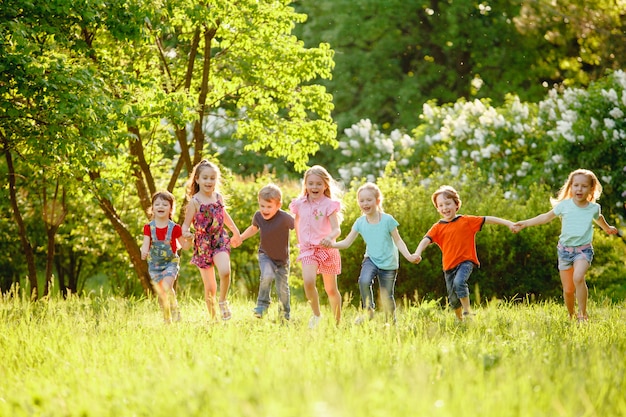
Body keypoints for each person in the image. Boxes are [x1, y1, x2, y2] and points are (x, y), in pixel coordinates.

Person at [513, 169, 618, 321]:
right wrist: (524, 224)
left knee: (578, 277)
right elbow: (545, 217)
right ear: (570, 187)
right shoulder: (564, 206)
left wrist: (607, 228)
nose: (579, 189)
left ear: (591, 189)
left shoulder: (593, 208)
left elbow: (599, 218)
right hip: (564, 252)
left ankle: (583, 315)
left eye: (583, 186)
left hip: (583, 251)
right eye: (576, 185)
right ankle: (571, 315)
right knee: (568, 290)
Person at [413, 185, 516, 320]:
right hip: (448, 266)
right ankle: (459, 319)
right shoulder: (438, 227)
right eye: (441, 205)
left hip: (466, 261)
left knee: (459, 282)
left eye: (448, 203)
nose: (445, 208)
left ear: (456, 204)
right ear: (437, 208)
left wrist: (508, 223)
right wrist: (417, 252)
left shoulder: (466, 221)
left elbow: (487, 219)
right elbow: (425, 240)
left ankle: (467, 312)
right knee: (453, 299)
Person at [322, 182, 417, 324]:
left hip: (389, 263)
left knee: (387, 296)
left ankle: (391, 322)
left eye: (369, 200)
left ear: (377, 201)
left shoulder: (387, 220)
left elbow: (398, 241)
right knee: (364, 281)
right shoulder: (360, 222)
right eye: (362, 200)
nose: (365, 203)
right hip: (371, 259)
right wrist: (332, 245)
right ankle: (368, 311)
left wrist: (409, 256)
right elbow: (347, 242)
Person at [182, 160, 242, 322]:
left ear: (216, 180)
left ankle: (222, 301)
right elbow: (185, 225)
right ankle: (213, 319)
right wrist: (186, 234)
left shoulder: (218, 197)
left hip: (219, 239)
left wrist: (235, 232)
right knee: (210, 287)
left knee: (225, 271)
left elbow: (225, 216)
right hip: (202, 244)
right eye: (205, 178)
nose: (209, 181)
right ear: (197, 179)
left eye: (212, 178)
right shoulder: (195, 202)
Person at [289, 165, 343, 328]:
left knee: (331, 289)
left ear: (325, 185)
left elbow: (337, 229)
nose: (314, 187)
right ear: (305, 184)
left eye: (318, 184)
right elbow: (296, 222)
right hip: (308, 250)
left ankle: (337, 322)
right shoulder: (299, 204)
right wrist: (300, 241)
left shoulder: (329, 204)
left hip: (327, 250)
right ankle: (316, 315)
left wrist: (329, 237)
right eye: (310, 183)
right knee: (308, 281)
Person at [240, 184, 295, 321]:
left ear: (278, 205)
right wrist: (240, 238)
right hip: (265, 255)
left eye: (269, 207)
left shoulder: (285, 218)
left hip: (282, 260)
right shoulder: (258, 216)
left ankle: (284, 315)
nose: (265, 210)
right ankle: (262, 305)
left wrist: (304, 245)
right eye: (262, 206)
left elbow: (298, 227)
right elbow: (253, 229)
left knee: (282, 289)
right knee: (267, 275)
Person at [141, 191, 191, 323]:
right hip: (155, 266)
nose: (160, 206)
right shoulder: (148, 228)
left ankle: (174, 310)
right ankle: (167, 317)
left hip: (170, 263)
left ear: (171, 209)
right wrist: (143, 252)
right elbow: (146, 244)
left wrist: (190, 239)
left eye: (164, 204)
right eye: (157, 204)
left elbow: (184, 246)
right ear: (152, 208)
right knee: (162, 293)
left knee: (166, 287)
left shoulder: (175, 228)